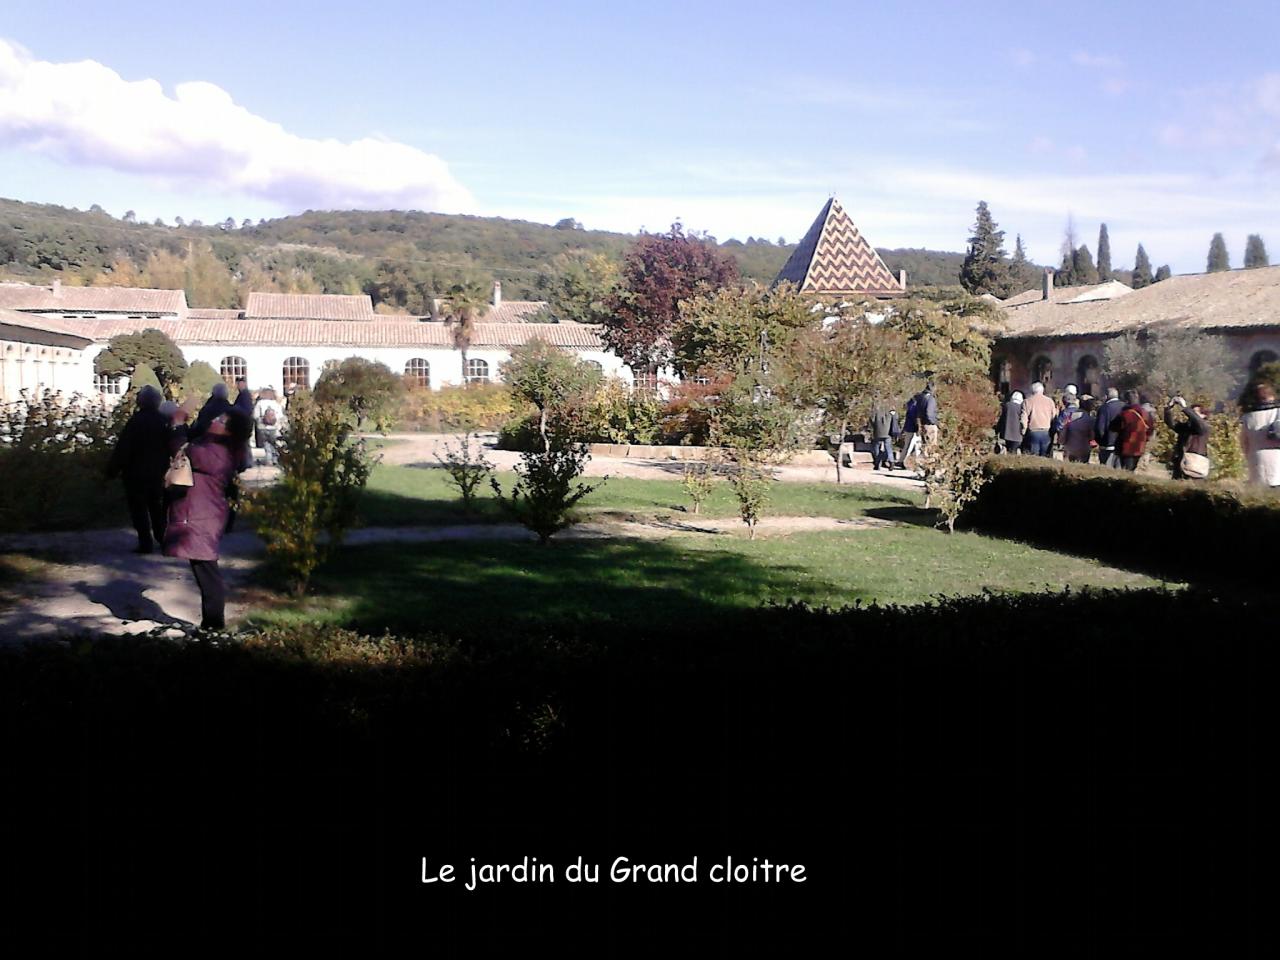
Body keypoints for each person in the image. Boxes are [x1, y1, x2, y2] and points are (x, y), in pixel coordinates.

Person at [162, 408, 253, 631]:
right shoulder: (220, 447)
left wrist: (178, 426)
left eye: (220, 419)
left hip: (202, 515)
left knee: (207, 571)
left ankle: (213, 626)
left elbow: (183, 450)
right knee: (203, 568)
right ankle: (211, 625)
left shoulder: (216, 453)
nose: (214, 420)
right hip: (203, 512)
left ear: (228, 431)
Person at [106, 385, 171, 554]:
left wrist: (112, 470)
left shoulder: (135, 422)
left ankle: (145, 542)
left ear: (140, 402)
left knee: (138, 509)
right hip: (158, 472)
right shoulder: (164, 422)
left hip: (135, 473)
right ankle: (162, 538)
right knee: (157, 507)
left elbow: (123, 448)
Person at [1240, 381, 1280, 487]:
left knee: (1261, 497)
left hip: (1257, 460)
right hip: (1277, 458)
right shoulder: (1278, 413)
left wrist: (1249, 456)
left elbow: (1244, 443)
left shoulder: (1247, 417)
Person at [1109, 389, 1156, 471]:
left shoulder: (1125, 414)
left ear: (1126, 401)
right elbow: (1150, 430)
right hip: (1140, 447)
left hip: (1125, 447)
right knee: (1132, 469)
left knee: (1124, 471)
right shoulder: (1145, 413)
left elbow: (1113, 428)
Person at [1165, 397, 1211, 480]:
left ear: (1204, 416)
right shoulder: (1186, 427)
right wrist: (1169, 407)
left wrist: (1185, 407)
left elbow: (1198, 422)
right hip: (1181, 463)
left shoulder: (1204, 428)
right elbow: (1171, 423)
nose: (1191, 415)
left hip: (1195, 465)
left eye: (1195, 413)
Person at [1019, 381, 1056, 457]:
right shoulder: (1050, 401)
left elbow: (1023, 419)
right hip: (1046, 432)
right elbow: (1054, 417)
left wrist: (1023, 432)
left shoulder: (1027, 402)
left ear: (1032, 390)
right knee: (1045, 457)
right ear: (1042, 390)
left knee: (1033, 457)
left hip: (1033, 432)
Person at [253, 386, 286, 467]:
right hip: (274, 428)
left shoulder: (259, 403)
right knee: (274, 444)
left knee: (266, 444)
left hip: (262, 428)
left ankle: (269, 460)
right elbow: (280, 416)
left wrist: (260, 421)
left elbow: (255, 415)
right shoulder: (275, 403)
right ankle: (275, 460)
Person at [1095, 387, 1125, 467]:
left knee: (1106, 470)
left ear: (1106, 396)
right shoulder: (1125, 407)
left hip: (1107, 444)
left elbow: (1100, 427)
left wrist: (1100, 441)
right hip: (1121, 444)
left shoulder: (1104, 408)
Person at [1061, 397, 1097, 464]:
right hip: (1084, 448)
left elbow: (1063, 430)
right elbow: (1092, 436)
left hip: (1070, 447)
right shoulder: (1090, 419)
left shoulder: (1070, 416)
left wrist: (1062, 441)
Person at [868, 401, 900, 471]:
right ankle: (891, 461)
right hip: (888, 432)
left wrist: (874, 427)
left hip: (878, 432)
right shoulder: (891, 409)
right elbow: (896, 417)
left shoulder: (876, 409)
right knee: (888, 447)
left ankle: (877, 463)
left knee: (876, 447)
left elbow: (872, 419)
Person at [896, 393, 921, 469]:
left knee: (911, 446)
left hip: (909, 429)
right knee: (911, 447)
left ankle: (903, 461)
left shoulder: (910, 406)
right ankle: (903, 461)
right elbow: (915, 419)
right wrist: (918, 428)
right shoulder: (915, 407)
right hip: (912, 430)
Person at [917, 383, 939, 449]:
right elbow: (929, 413)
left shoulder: (920, 397)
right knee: (931, 446)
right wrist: (934, 422)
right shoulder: (931, 399)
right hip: (929, 425)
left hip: (922, 424)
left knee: (924, 445)